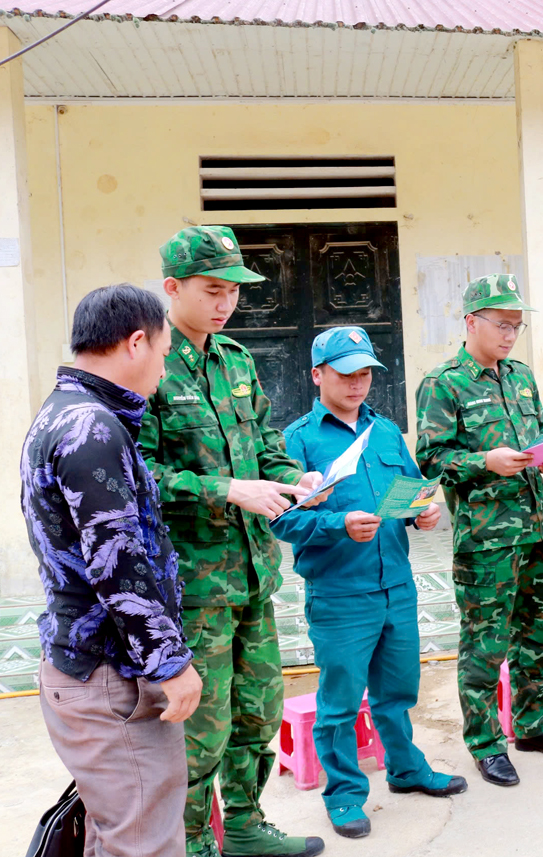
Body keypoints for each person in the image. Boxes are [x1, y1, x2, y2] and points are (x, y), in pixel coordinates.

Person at [138, 226, 326, 857]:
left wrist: (290, 478)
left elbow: (266, 448)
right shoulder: (149, 368)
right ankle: (193, 843)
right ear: (172, 288)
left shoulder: (238, 361)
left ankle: (244, 826)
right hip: (195, 584)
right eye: (212, 290)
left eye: (233, 292)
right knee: (201, 728)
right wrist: (226, 488)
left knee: (257, 711)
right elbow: (139, 478)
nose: (225, 303)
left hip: (252, 576)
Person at [21, 284, 203, 856]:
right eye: (165, 351)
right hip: (110, 676)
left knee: (117, 833)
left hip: (90, 665)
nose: (165, 366)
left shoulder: (64, 413)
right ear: (136, 342)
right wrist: (169, 663)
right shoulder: (92, 428)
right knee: (144, 842)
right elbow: (116, 560)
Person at [271, 327, 467, 839]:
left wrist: (421, 513)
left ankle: (405, 770)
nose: (358, 384)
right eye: (345, 373)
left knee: (398, 690)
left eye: (365, 374)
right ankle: (344, 795)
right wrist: (339, 523)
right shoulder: (296, 441)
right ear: (317, 375)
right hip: (340, 592)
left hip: (395, 585)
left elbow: (410, 491)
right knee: (339, 700)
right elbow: (280, 520)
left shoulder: (384, 432)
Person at [415, 273, 543, 787]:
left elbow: (536, 436)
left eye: (517, 326)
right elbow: (431, 458)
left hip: (533, 529)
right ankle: (486, 743)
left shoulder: (521, 377)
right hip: (485, 540)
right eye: (502, 324)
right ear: (471, 322)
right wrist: (485, 461)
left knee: (536, 635)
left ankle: (533, 726)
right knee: (485, 645)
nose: (510, 334)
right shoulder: (443, 383)